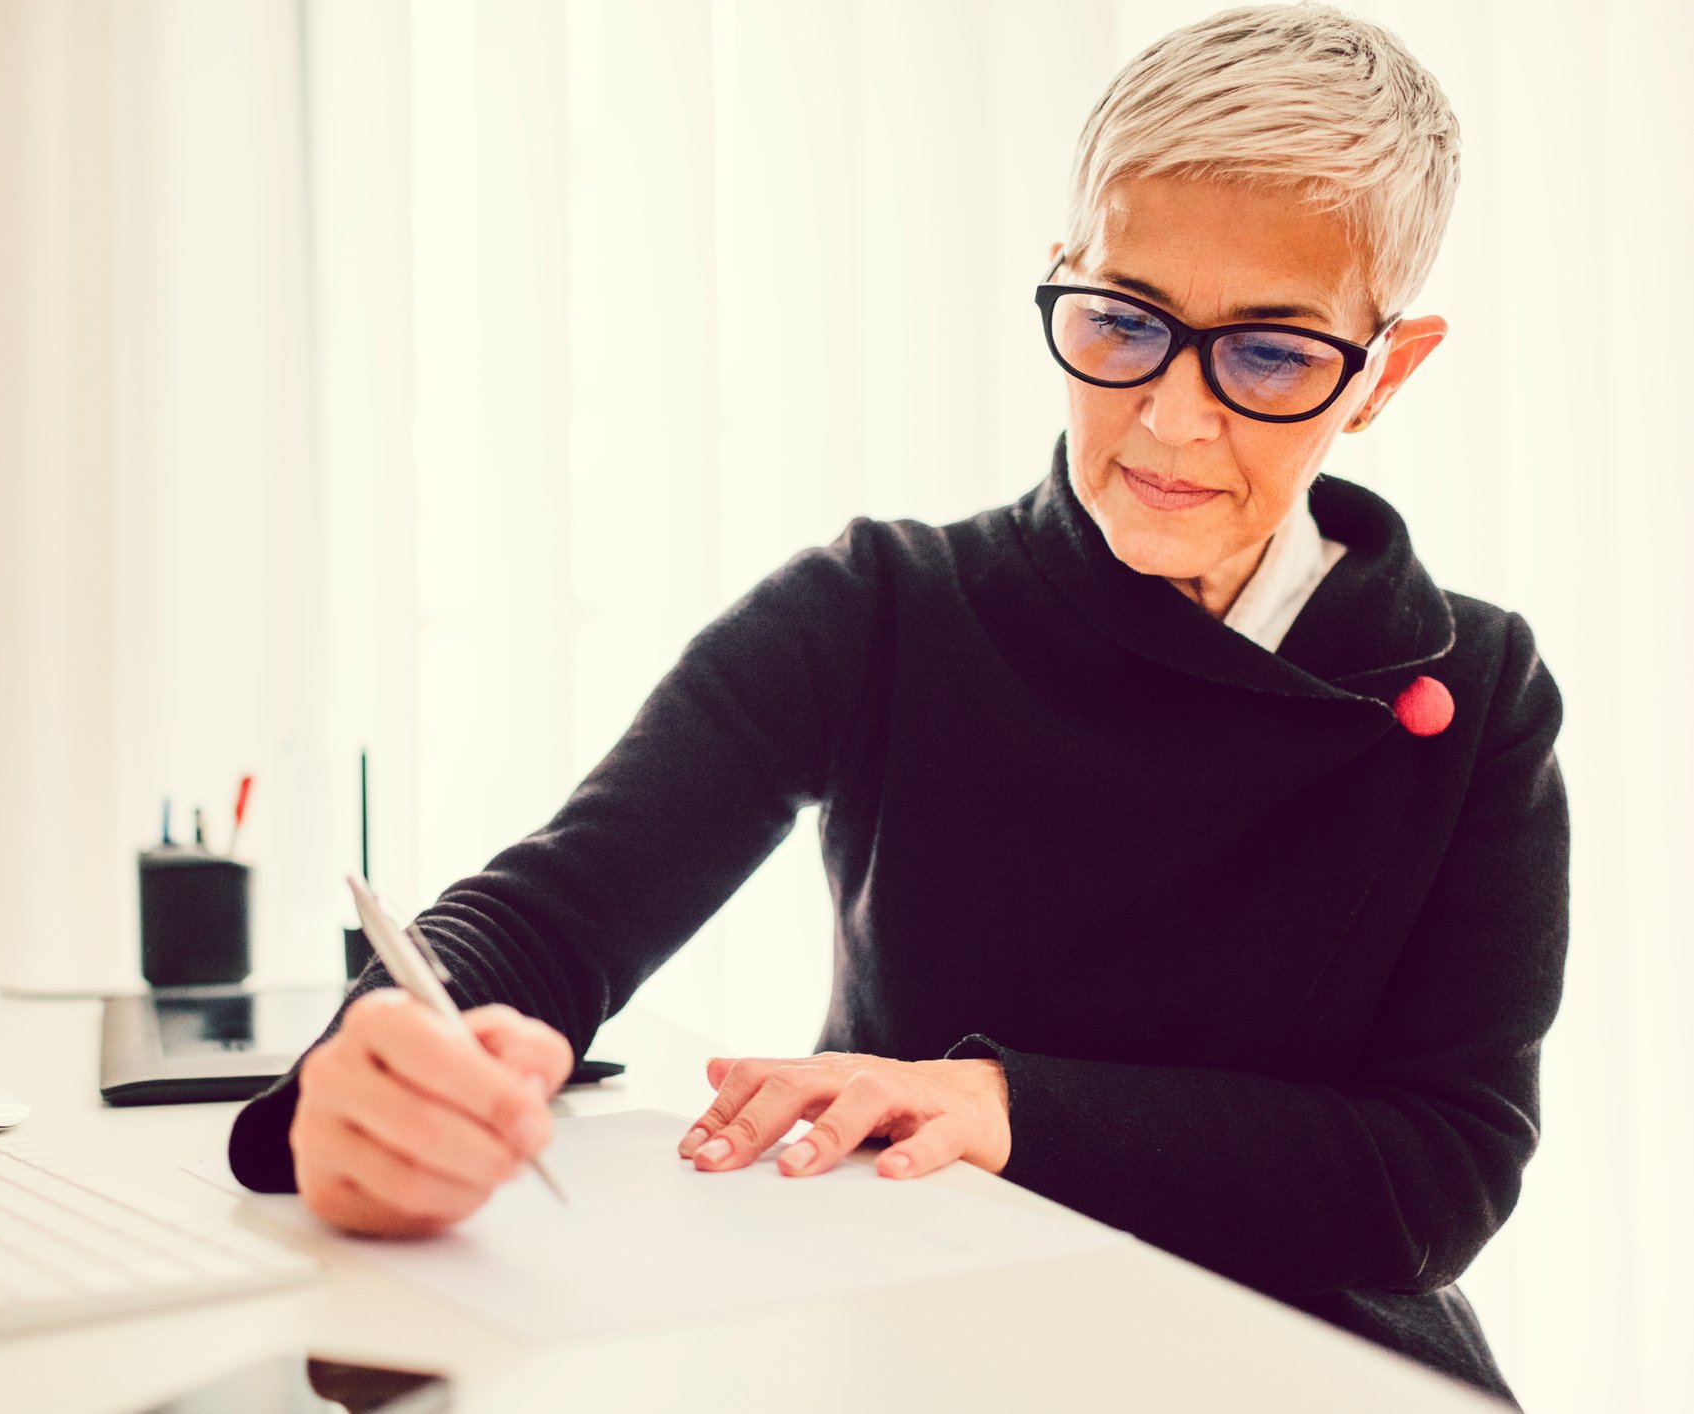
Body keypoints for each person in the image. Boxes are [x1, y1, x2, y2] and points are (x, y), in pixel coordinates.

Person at [229, 4, 1565, 1406]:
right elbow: (553, 916)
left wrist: (1001, 1105)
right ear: (1061, 279)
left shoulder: (1475, 695)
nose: (1171, 417)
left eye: (1271, 356)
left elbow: (1438, 1169)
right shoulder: (886, 605)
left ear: (1385, 372)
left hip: (1299, 1363)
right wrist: (381, 1070)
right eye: (1120, 321)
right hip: (926, 1339)